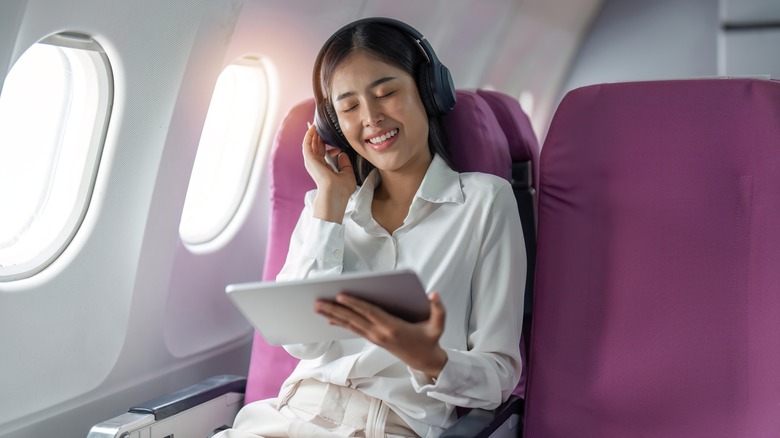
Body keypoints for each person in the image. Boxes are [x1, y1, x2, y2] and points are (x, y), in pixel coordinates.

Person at [216, 17, 526, 438]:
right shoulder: (324, 207)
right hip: (286, 415)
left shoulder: (485, 202)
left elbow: (499, 374)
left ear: (429, 91)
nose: (372, 118)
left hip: (391, 426)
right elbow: (302, 345)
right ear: (333, 124)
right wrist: (329, 200)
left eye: (387, 93)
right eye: (348, 107)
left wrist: (429, 357)